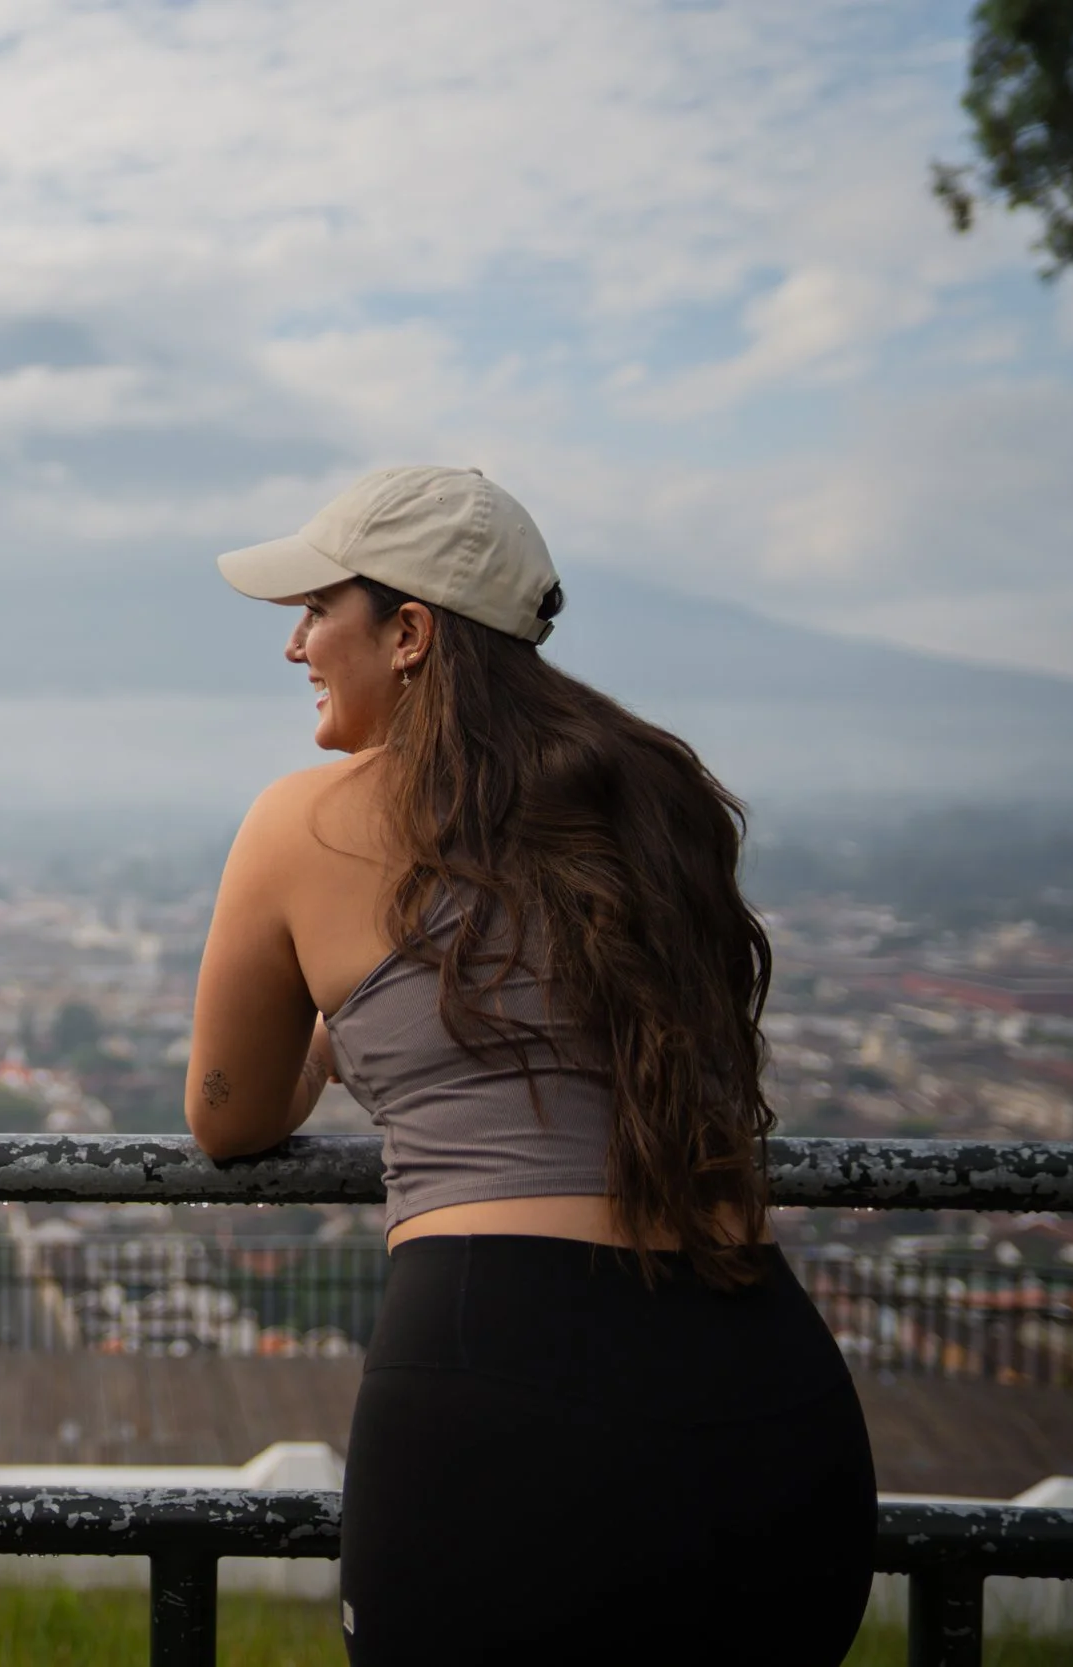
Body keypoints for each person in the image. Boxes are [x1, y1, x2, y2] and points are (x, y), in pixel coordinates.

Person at [184, 467, 874, 1666]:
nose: (294, 643)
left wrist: (340, 1043)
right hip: (763, 1384)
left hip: (498, 1380)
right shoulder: (659, 795)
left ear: (407, 632)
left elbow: (227, 1116)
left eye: (314, 611)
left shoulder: (303, 820)